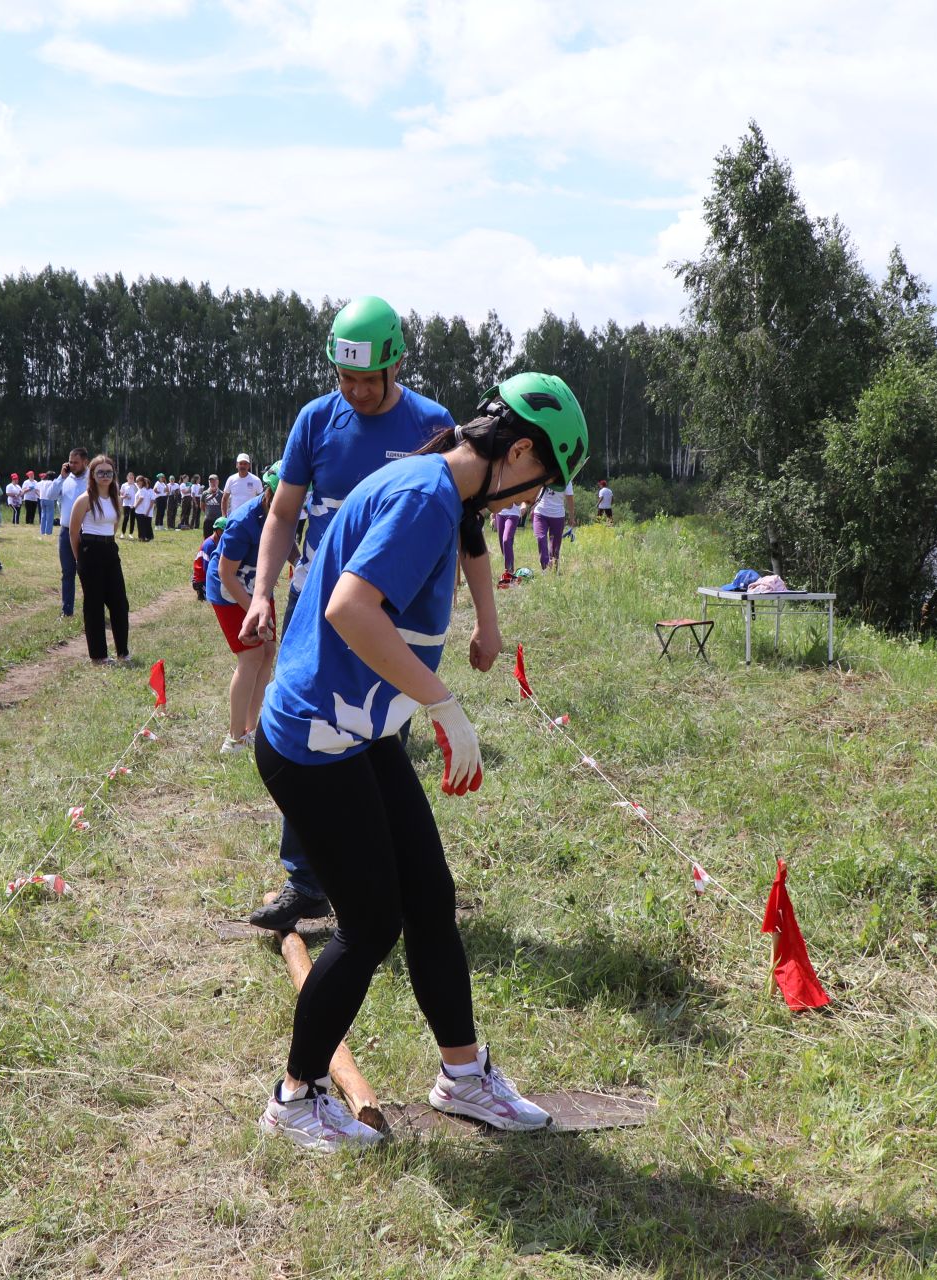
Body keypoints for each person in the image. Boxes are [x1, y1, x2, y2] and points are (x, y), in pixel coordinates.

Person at [253, 372, 589, 1151]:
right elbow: (349, 608)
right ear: (521, 452)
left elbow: (462, 546)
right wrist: (442, 703)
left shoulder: (442, 484)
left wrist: (479, 629)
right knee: (369, 924)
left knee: (429, 898)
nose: (529, 502)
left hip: (356, 732)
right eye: (538, 485)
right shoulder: (425, 495)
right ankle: (295, 1100)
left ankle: (463, 1078)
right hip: (315, 742)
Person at [239, 295, 505, 932]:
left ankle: (375, 872)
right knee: (307, 735)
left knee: (379, 741)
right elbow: (281, 513)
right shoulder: (314, 422)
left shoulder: (431, 423)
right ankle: (306, 882)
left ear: (397, 366)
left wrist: (487, 620)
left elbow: (469, 531)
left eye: (368, 378)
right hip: (317, 605)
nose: (356, 391)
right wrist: (262, 591)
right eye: (345, 377)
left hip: (393, 616)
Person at [208, 493, 276, 753]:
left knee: (268, 650)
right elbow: (226, 573)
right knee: (251, 655)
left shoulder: (289, 508)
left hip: (257, 584)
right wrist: (255, 611)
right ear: (270, 492)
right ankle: (234, 738)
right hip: (230, 589)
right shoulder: (243, 522)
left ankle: (251, 730)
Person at [66, 453, 132, 664]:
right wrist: (80, 560)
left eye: (108, 472)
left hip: (109, 549)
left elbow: (113, 526)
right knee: (94, 605)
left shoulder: (115, 498)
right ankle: (99, 656)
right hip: (90, 550)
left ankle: (123, 652)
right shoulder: (85, 499)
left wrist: (108, 545)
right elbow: (74, 532)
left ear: (113, 475)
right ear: (92, 475)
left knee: (120, 602)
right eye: (100, 472)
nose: (105, 476)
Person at [52, 448, 91, 616]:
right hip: (66, 532)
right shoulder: (65, 479)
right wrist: (61, 477)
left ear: (85, 462)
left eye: (75, 462)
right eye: (70, 462)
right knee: (67, 572)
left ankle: (92, 610)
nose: (71, 465)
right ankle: (66, 611)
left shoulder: (93, 479)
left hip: (87, 533)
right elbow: (49, 495)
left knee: (89, 572)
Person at [531, 479, 574, 569]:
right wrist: (532, 506)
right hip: (540, 513)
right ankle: (545, 566)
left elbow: (570, 499)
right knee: (540, 538)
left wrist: (572, 517)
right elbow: (536, 491)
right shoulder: (543, 475)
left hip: (558, 516)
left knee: (555, 547)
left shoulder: (566, 480)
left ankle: (554, 570)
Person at [222, 452, 263, 518]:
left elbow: (261, 500)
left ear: (249, 466)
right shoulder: (231, 479)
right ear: (236, 465)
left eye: (245, 464)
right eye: (240, 463)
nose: (243, 466)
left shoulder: (256, 480)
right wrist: (224, 516)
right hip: (234, 517)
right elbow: (224, 499)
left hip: (251, 517)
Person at [492, 499, 520, 583]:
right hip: (500, 514)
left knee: (506, 540)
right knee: (503, 545)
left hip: (513, 514)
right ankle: (509, 569)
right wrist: (493, 512)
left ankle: (509, 572)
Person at [133, 474, 156, 541]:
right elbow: (136, 483)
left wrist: (134, 506)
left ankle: (147, 537)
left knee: (146, 525)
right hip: (143, 510)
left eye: (146, 483)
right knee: (143, 525)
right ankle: (145, 537)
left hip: (146, 511)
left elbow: (151, 502)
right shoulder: (141, 489)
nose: (145, 484)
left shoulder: (149, 491)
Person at [119, 472, 137, 538]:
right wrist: (124, 496)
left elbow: (139, 493)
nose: (131, 479)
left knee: (132, 519)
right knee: (126, 518)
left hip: (134, 504)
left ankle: (131, 534)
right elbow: (121, 495)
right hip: (126, 504)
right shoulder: (124, 485)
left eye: (132, 478)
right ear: (127, 478)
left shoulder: (136, 485)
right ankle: (122, 533)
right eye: (130, 477)